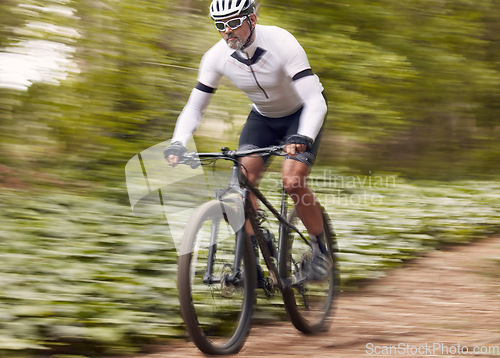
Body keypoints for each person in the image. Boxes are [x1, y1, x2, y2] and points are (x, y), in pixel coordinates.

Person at [164, 0, 330, 282]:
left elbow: (315, 100)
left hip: (301, 114)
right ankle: (255, 252)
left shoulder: (281, 41)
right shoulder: (216, 57)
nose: (227, 31)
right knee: (238, 187)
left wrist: (303, 136)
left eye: (233, 23)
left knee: (293, 181)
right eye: (220, 26)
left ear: (251, 18)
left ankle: (320, 251)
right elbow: (194, 107)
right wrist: (179, 141)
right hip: (262, 119)